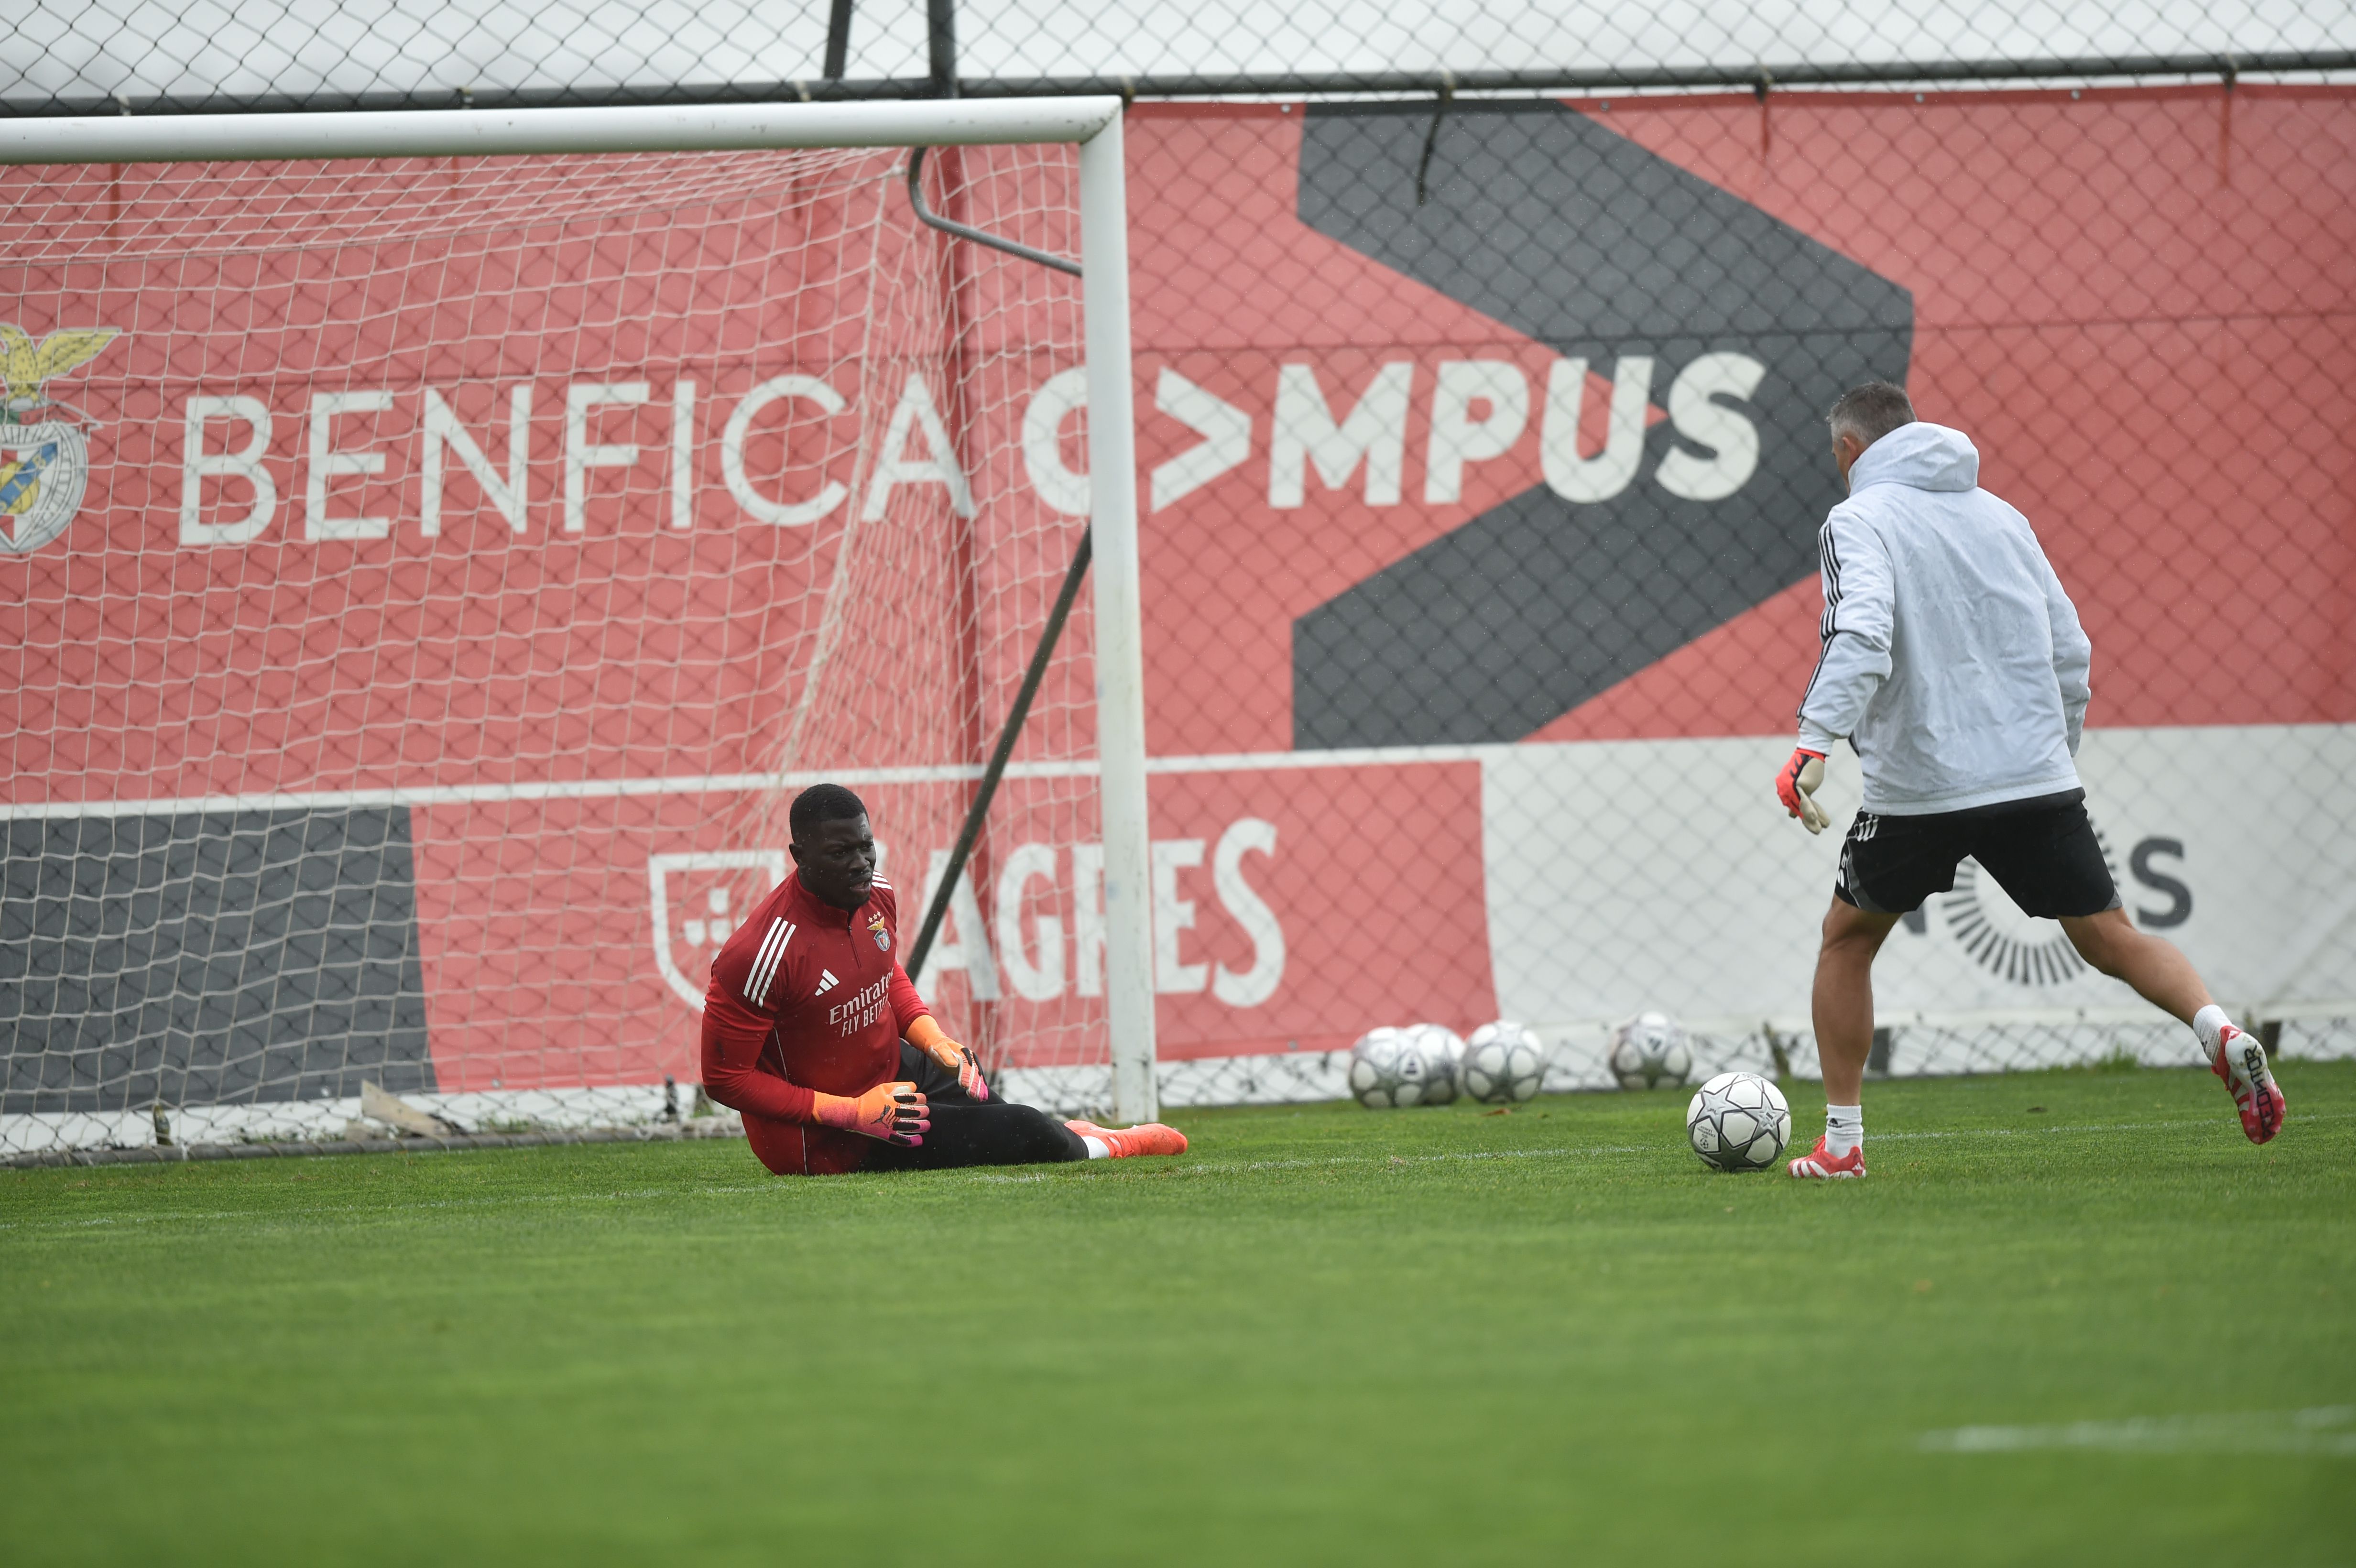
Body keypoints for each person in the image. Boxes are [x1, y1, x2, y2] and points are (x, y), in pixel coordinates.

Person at [1774, 382, 2283, 1178]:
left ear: (1847, 451)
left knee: (1846, 941)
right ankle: (2215, 1028)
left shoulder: (1856, 520)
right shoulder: (2001, 516)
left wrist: (1813, 743)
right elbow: (2069, 648)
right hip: (2032, 776)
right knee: (2109, 940)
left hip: (1920, 789)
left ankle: (1841, 1144)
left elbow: (1861, 630)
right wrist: (2053, 751)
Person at [700, 782, 1186, 1175]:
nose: (860, 862)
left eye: (865, 845)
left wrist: (931, 1038)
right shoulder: (758, 953)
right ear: (798, 854)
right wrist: (850, 1113)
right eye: (840, 851)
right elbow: (725, 1079)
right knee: (1025, 1129)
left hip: (893, 1070)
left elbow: (881, 969)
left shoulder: (877, 894)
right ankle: (1116, 1145)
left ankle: (1070, 1131)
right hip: (832, 1137)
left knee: (988, 1102)